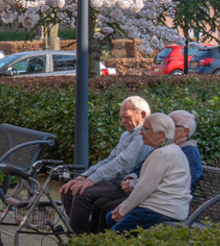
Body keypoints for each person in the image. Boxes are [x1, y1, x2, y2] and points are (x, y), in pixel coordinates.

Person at [61, 96, 152, 235]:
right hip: (115, 181)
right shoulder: (127, 135)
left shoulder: (142, 136)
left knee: (82, 193)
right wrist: (83, 177)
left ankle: (78, 243)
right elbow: (110, 160)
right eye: (121, 117)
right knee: (69, 189)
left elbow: (123, 164)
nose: (122, 121)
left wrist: (91, 181)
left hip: (127, 184)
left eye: (126, 117)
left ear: (143, 115)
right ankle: (81, 236)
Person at [108, 113, 192, 231]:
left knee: (116, 230)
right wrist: (123, 208)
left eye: (145, 129)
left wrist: (123, 210)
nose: (141, 132)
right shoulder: (169, 150)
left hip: (161, 211)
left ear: (160, 134)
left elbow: (144, 188)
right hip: (159, 208)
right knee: (110, 217)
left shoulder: (163, 153)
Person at [123, 109, 204, 194]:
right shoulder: (164, 147)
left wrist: (134, 184)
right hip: (141, 191)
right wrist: (131, 178)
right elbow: (143, 169)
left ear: (185, 131)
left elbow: (182, 183)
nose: (165, 129)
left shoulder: (190, 152)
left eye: (171, 126)